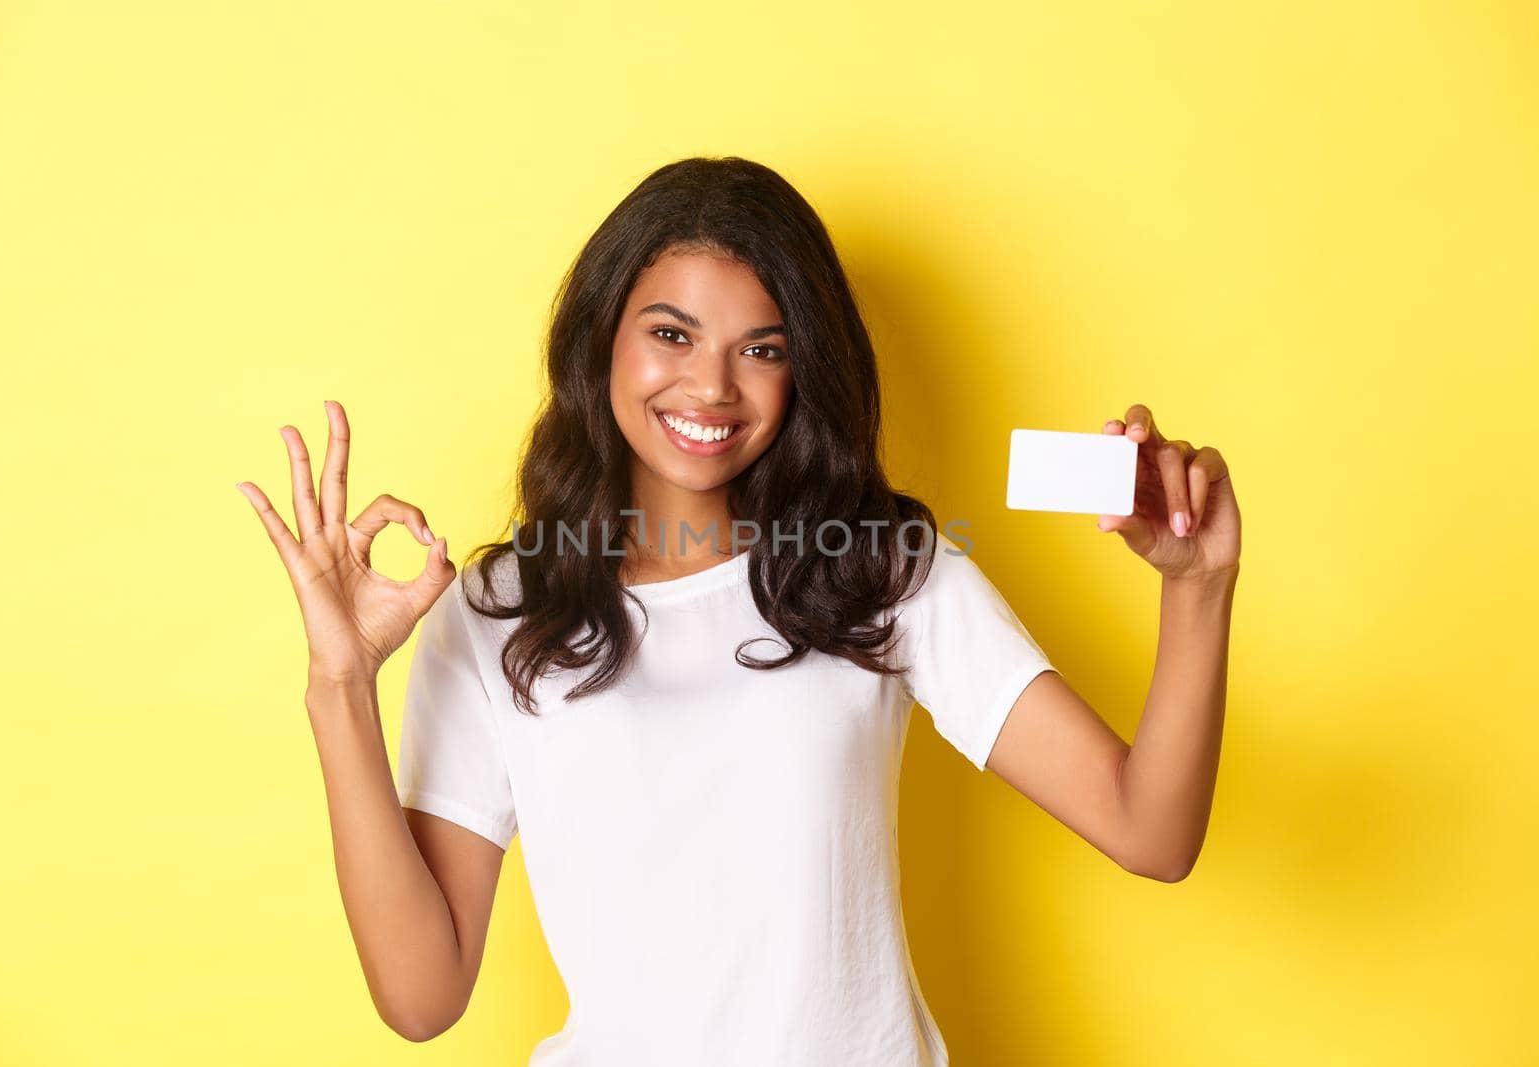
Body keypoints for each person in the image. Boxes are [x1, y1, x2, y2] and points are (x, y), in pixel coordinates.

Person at [236, 156, 1242, 1065]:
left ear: (804, 366)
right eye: (671, 333)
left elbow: (1148, 829)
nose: (710, 385)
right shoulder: (500, 611)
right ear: (602, 341)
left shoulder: (882, 572)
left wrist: (1197, 587)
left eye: (761, 347)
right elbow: (420, 996)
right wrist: (341, 682)